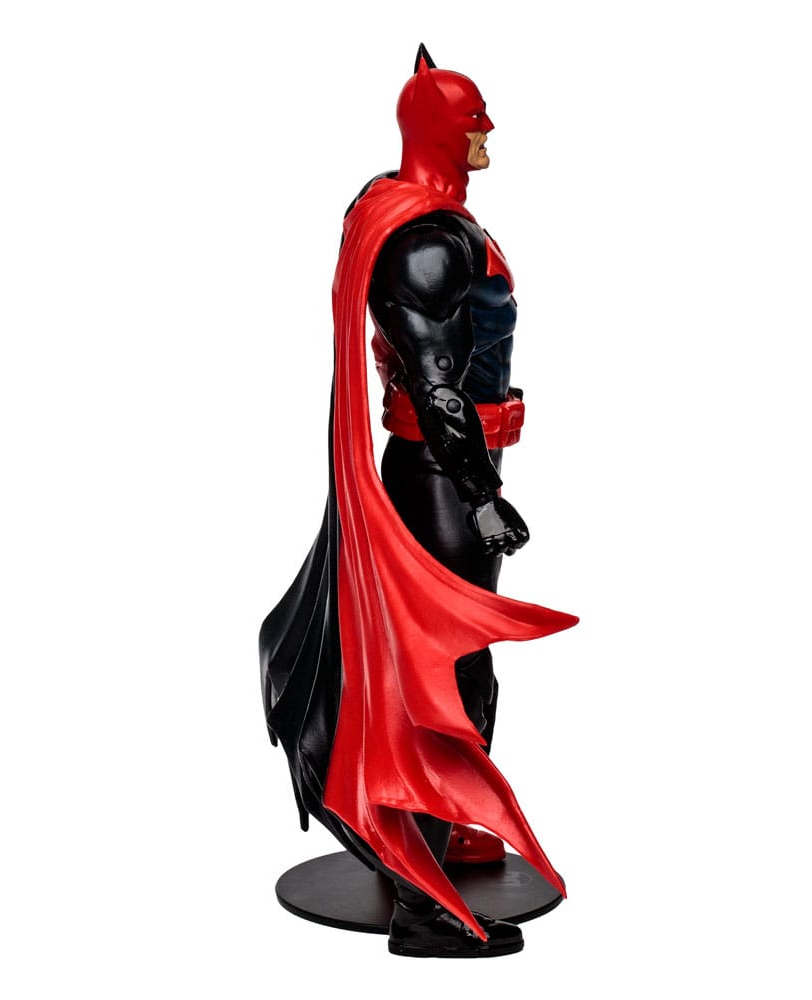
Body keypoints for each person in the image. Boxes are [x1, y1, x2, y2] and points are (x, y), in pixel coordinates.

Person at [260, 44, 577, 958]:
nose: (488, 128)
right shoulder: (429, 242)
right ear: (439, 129)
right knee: (449, 677)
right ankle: (423, 901)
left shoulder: (407, 211)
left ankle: (447, 828)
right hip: (442, 476)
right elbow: (439, 391)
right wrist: (483, 497)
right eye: (473, 117)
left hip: (446, 467)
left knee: (451, 665)